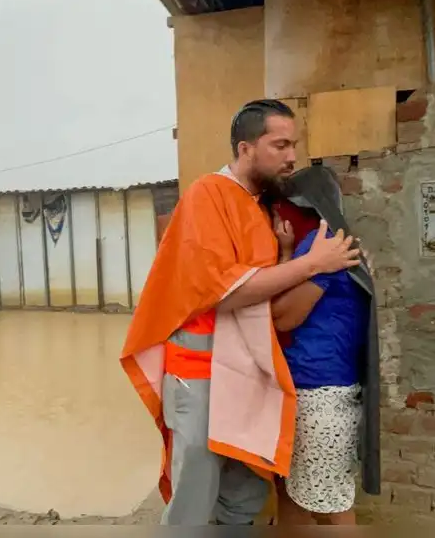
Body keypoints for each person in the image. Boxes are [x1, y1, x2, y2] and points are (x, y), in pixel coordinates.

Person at [120, 99, 361, 526]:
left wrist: (289, 254)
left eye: (294, 145)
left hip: (247, 368)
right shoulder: (207, 195)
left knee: (246, 489)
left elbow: (264, 279)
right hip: (200, 369)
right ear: (245, 148)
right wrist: (312, 264)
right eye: (280, 145)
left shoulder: (259, 203)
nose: (291, 156)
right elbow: (224, 294)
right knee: (196, 488)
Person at [269, 174, 373, 526]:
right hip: (318, 388)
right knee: (293, 493)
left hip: (320, 394)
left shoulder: (323, 246)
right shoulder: (329, 244)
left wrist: (291, 255)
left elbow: (283, 317)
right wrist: (287, 252)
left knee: (330, 503)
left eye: (279, 210)